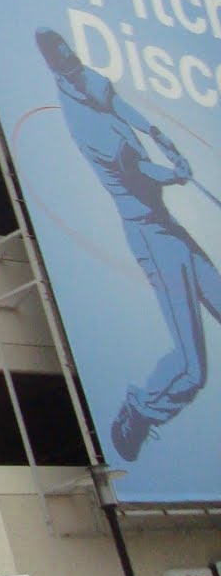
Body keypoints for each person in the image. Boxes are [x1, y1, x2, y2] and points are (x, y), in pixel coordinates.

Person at [35, 28, 221, 460]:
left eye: (70, 50)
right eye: (63, 56)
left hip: (167, 225)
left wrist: (159, 133)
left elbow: (117, 101)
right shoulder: (84, 124)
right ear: (55, 67)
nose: (72, 58)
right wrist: (173, 173)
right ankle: (140, 410)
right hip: (151, 236)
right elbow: (137, 173)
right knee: (193, 370)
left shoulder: (82, 78)